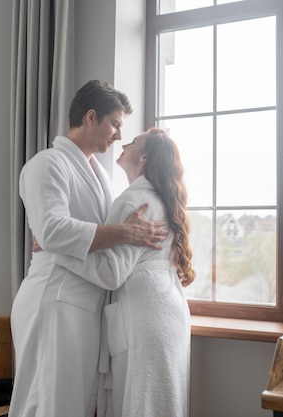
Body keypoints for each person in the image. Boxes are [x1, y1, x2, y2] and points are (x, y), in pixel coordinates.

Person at [10, 81, 168, 417]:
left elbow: (60, 237)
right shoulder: (48, 164)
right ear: (91, 116)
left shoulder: (101, 177)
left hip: (84, 305)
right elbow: (52, 230)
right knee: (45, 403)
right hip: (52, 300)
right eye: (115, 124)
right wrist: (124, 232)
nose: (117, 136)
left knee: (71, 407)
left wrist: (114, 235)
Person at [55, 127, 195, 417]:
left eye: (133, 142)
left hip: (144, 321)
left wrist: (59, 250)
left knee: (140, 405)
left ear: (143, 157)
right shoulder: (161, 200)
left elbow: (110, 273)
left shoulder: (135, 201)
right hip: (169, 314)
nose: (124, 143)